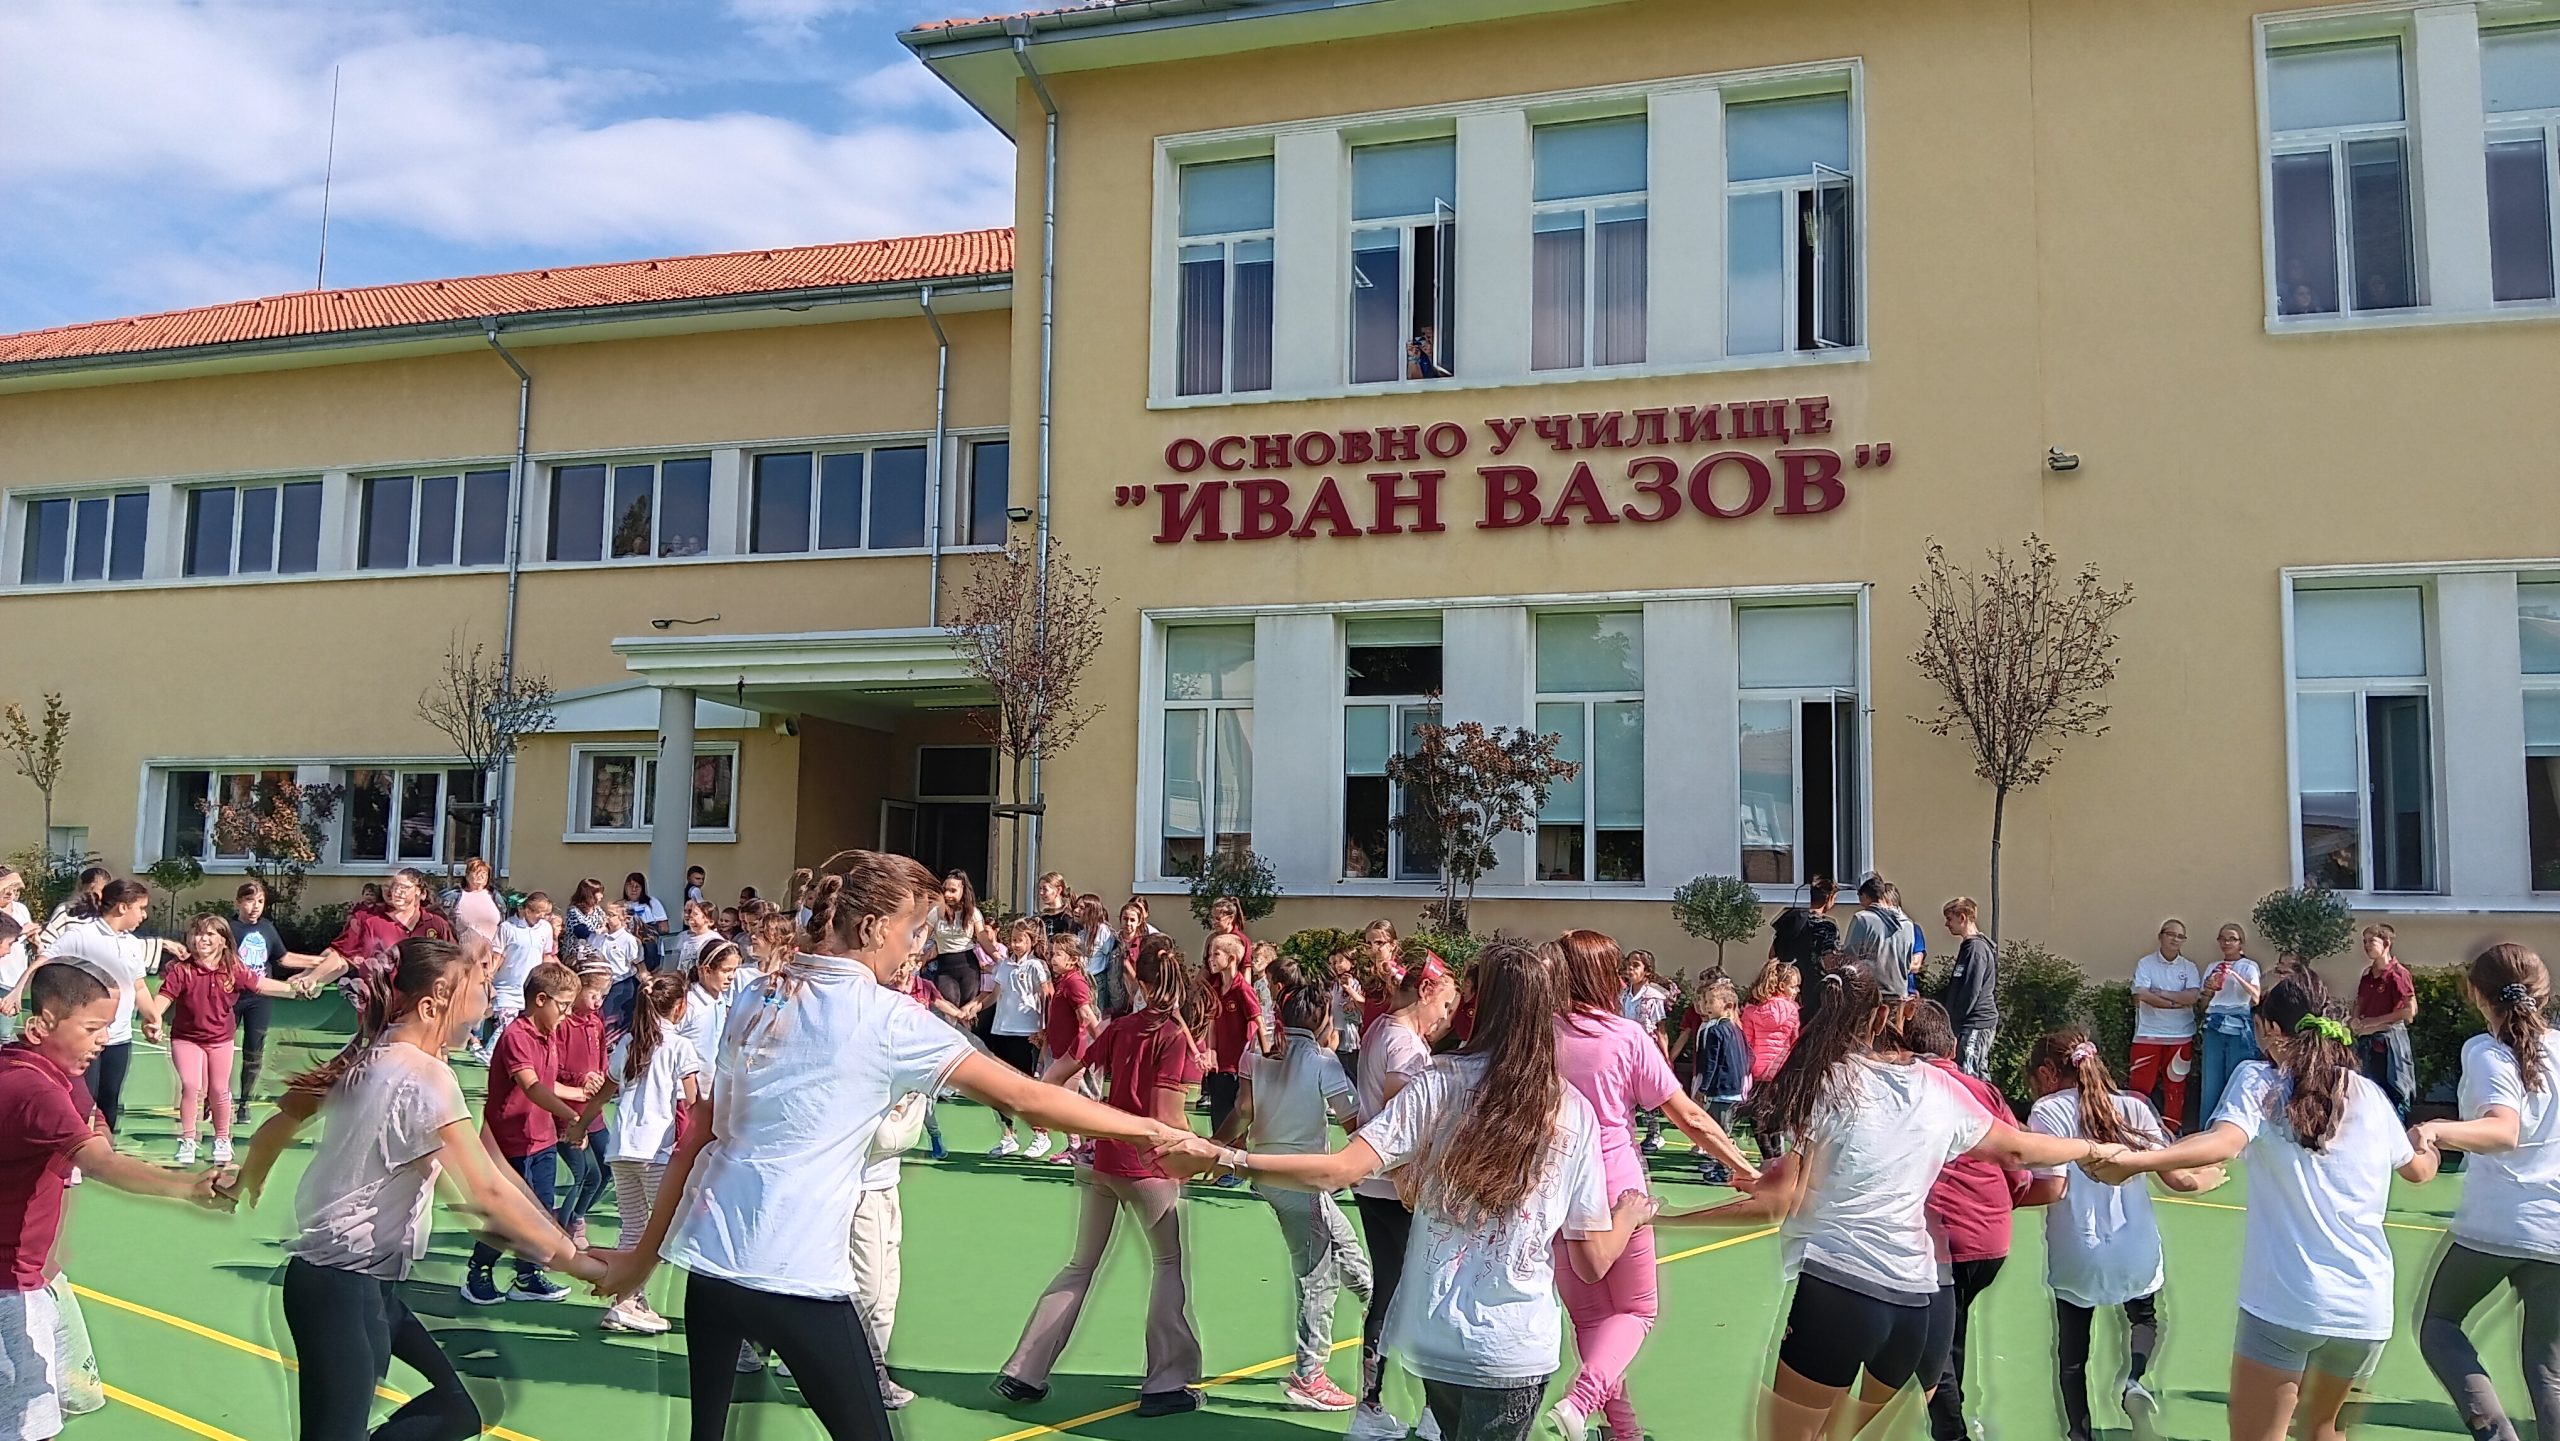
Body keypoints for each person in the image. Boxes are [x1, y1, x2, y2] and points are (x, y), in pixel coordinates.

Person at [597, 849, 1192, 1441]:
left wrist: (641, 1259)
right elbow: (1025, 1097)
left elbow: (700, 1136)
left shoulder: (758, 995)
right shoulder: (887, 1018)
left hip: (711, 1273)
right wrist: (1154, 1130)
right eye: (913, 931)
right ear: (874, 929)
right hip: (794, 1275)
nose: (916, 948)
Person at [1163, 940, 1658, 1441]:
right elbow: (1592, 1261)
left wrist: (1227, 1157)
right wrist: (1629, 1216)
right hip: (1514, 1346)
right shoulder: (1571, 1110)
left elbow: (1340, 1169)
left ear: (1479, 1007)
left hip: (1436, 1341)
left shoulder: (1439, 1081)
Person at [1651, 964, 2127, 1441]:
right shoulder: (1941, 1088)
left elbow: (1778, 1204)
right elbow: (2018, 1150)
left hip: (1838, 1293)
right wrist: (2091, 1148)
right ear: (1889, 1016)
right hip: (1915, 1306)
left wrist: (1666, 1219)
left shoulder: (1829, 1081)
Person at [232, 936, 605, 1441]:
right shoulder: (423, 1076)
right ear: (433, 1006)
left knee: (461, 1408)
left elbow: (494, 1172)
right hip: (340, 1284)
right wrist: (581, 1265)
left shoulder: (379, 1054)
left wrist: (247, 1176)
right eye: (478, 990)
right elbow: (485, 1196)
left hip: (366, 1285)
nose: (487, 1003)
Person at [2086, 971, 2439, 1441]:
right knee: (2323, 1431)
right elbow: (2419, 1170)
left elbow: (2223, 1142)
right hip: (2365, 1308)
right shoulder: (2370, 1095)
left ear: (2272, 1029)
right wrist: (2430, 1139)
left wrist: (2137, 1161)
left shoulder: (2259, 1080)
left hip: (2287, 1303)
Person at [1, 964, 234, 1441]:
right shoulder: (33, 1090)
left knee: (67, 1398)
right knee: (26, 1427)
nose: (104, 1040)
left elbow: (91, 1118)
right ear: (41, 1025)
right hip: (10, 1287)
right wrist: (189, 1188)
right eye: (92, 1028)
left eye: (108, 1026)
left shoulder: (49, 1069)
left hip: (41, 1275)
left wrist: (96, 1129)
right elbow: (102, 1163)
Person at [1549, 931, 1759, 1441]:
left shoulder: (1540, 1033)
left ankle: (1623, 1431)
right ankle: (1581, 1401)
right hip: (1616, 1186)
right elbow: (1691, 1117)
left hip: (1558, 1184)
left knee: (1592, 1320)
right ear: (1605, 978)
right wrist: (1748, 1172)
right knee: (1637, 1311)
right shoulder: (1624, 1037)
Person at [999, 935, 1215, 1416]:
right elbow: (1167, 1116)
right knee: (1167, 1263)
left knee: (1080, 1264)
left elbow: (1058, 1074)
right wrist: (1205, 1150)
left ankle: (1024, 1370)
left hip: (1102, 1159)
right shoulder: (1171, 1036)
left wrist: (1071, 1118)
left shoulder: (1120, 1027)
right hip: (1147, 1166)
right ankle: (1166, 1382)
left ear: (1138, 980)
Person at [2018, 1030, 2220, 1441]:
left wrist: (1999, 1197)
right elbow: (2177, 1179)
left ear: (2047, 1073)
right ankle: (2134, 1381)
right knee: (2144, 1318)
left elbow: (2053, 1187)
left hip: (2078, 1247)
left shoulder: (2047, 1111)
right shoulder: (2135, 1106)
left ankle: (2079, 1434)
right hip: (2135, 1244)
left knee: (2072, 1354)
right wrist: (2208, 1177)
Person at [2410, 943, 2560, 1441]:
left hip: (2499, 1223)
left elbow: (2503, 1129)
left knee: (2439, 1324)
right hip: (2555, 1230)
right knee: (2549, 1371)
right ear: (2544, 994)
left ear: (2477, 994)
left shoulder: (2486, 1051)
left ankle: (2496, 1434)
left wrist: (2435, 1130)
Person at [1210, 972, 1373, 1411]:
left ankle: (1376, 1301)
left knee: (1344, 1244)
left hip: (1269, 1175)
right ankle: (1310, 1375)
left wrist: (1215, 1147)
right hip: (1302, 1180)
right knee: (1318, 1277)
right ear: (1322, 1019)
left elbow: (1242, 1111)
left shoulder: (1257, 1054)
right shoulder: (1323, 1062)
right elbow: (1353, 1122)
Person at [1902, 999, 2027, 1441]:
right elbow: (2018, 1165)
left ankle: (1951, 1431)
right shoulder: (1983, 1091)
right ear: (1953, 1046)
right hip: (1990, 1237)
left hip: (1940, 1238)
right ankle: (1953, 1419)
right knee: (1949, 1331)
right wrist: (2003, 1205)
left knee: (1932, 1345)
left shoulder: (1910, 1089)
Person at [461, 960, 589, 1307]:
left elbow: (548, 1083)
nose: (567, 1013)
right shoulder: (517, 1036)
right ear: (541, 1000)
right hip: (510, 1143)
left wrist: (580, 1094)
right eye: (563, 1005)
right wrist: (571, 1116)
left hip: (541, 1140)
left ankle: (527, 1275)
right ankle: (478, 1271)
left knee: (540, 1212)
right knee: (507, 1214)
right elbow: (531, 1087)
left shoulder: (548, 1034)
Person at [585, 970, 701, 1337]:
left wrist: (579, 1124)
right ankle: (629, 1300)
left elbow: (606, 1090)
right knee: (667, 1230)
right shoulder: (680, 1046)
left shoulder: (630, 1041)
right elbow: (693, 1103)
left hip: (623, 1149)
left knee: (634, 1226)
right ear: (679, 1007)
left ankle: (625, 1301)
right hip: (656, 1152)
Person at [158, 915, 306, 1165]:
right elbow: (164, 997)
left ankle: (222, 1138)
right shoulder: (181, 970)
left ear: (224, 941)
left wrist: (294, 989)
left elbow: (259, 984)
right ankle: (188, 1139)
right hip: (186, 1038)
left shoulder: (233, 969)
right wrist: (152, 1018)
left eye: (210, 934)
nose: (202, 939)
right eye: (197, 933)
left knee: (219, 1089)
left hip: (220, 1039)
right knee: (191, 1086)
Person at [42, 877, 184, 1134]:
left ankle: (104, 1148)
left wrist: (153, 1018)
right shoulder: (82, 935)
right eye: (141, 908)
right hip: (85, 1037)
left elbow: (138, 987)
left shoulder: (131, 944)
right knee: (82, 1100)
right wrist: (17, 993)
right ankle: (74, 1148)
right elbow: (44, 960)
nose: (144, 915)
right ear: (122, 907)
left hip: (119, 1037)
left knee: (110, 1100)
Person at [227, 880, 304, 1124]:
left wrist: (321, 963)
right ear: (238, 902)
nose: (255, 907)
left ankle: (244, 1102)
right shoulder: (228, 929)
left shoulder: (267, 929)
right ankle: (215, 1098)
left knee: (254, 1050)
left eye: (260, 902)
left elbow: (283, 958)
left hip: (259, 998)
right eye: (250, 901)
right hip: (231, 997)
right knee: (221, 1048)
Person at [554, 960, 614, 1249]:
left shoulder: (596, 1023)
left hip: (592, 1111)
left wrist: (601, 1076)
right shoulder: (563, 1025)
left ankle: (575, 1216)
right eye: (593, 994)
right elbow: (555, 1067)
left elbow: (602, 1061)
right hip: (568, 1110)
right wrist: (582, 1078)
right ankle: (559, 1232)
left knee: (607, 1167)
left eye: (603, 995)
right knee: (581, 1173)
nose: (598, 1001)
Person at [986, 918, 1054, 1160]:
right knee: (998, 1090)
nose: (1015, 944)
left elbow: (1048, 997)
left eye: (1020, 940)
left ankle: (1041, 1136)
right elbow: (995, 995)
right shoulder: (1004, 966)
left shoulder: (1036, 966)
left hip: (1026, 1034)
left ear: (1031, 941)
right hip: (1001, 1031)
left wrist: (1044, 1029)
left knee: (1025, 1089)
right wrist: (972, 1008)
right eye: (1012, 940)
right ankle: (1008, 1137)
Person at [2128, 920, 2202, 1133]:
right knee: (2140, 1087)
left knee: (2175, 1087)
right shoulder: (2145, 963)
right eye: (2171, 934)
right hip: (2148, 1035)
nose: (2175, 939)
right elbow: (2141, 995)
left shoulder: (2189, 967)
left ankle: (2172, 1131)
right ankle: (2135, 1130)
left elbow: (2192, 997)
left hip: (2181, 1036)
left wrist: (2161, 994)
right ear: (2160, 936)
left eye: (2180, 936)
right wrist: (2175, 1004)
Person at [1042, 932, 1101, 1167]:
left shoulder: (1075, 982)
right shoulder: (1064, 981)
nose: (1052, 959)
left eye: (1057, 954)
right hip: (1062, 1052)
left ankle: (1086, 1148)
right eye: (1051, 954)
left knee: (1071, 1102)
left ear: (1073, 959)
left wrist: (1105, 1046)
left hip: (1074, 1053)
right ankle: (1076, 1146)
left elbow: (1087, 1015)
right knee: (1066, 1101)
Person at [2350, 923, 2418, 1120]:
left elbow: (2410, 1011)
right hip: (2367, 1044)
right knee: (2367, 1094)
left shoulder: (2398, 974)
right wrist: (2355, 1019)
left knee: (2395, 1095)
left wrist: (2376, 1021)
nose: (2366, 946)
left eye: (2371, 941)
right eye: (2364, 941)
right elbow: (2360, 1002)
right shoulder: (2367, 975)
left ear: (2386, 943)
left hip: (2389, 1045)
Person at [2198, 923, 2265, 1122]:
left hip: (2239, 1026)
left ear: (2240, 942)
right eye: (2223, 939)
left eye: (2232, 939)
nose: (2226, 943)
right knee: (2211, 1081)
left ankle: (2233, 1125)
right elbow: (2203, 1004)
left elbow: (2256, 998)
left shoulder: (2249, 966)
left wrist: (2235, 975)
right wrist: (2209, 989)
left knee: (2236, 1078)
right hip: (2214, 1023)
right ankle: (2207, 1126)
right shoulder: (2213, 966)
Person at [1689, 975, 1751, 1187]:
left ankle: (1725, 1170)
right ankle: (1720, 1164)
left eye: (1711, 1002)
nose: (1707, 1006)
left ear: (1727, 1005)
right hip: (1734, 1087)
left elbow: (1711, 1062)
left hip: (1722, 1089)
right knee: (1723, 1129)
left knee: (1720, 1132)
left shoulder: (1716, 1031)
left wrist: (1703, 1088)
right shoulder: (1736, 1029)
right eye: (1706, 1002)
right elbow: (1748, 1056)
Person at [479, 891, 554, 1065]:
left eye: (545, 913)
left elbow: (546, 955)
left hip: (531, 986)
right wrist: (489, 973)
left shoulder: (545, 928)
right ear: (526, 910)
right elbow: (498, 954)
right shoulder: (508, 927)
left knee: (523, 1025)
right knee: (507, 1022)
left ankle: (514, 1056)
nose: (542, 917)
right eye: (538, 912)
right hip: (507, 986)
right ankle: (489, 1053)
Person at [1204, 931, 1263, 1146]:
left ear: (1231, 959)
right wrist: (1210, 1051)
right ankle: (1221, 1158)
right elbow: (1211, 1023)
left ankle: (1237, 1158)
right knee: (1219, 1119)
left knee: (1237, 1121)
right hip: (1219, 1066)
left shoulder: (1242, 989)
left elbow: (1257, 1021)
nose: (1210, 959)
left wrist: (1263, 1054)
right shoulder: (1215, 989)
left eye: (1215, 954)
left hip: (1238, 1066)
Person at [1739, 960, 1802, 1157]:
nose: (1797, 990)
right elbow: (1794, 1040)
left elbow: (1747, 1042)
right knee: (1775, 1113)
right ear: (1782, 986)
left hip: (1758, 1069)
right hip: (1781, 1069)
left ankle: (1767, 1154)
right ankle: (1776, 1154)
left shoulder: (1752, 1011)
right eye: (1794, 986)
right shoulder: (1793, 1010)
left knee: (1757, 1114)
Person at [1617, 950, 1673, 1152]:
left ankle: (1654, 1133)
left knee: (1648, 1092)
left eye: (1636, 965)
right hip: (1625, 1049)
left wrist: (1665, 1057)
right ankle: (1627, 1130)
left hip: (1646, 1049)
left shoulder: (1653, 997)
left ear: (1647, 971)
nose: (1630, 969)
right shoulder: (1623, 995)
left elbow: (1660, 1030)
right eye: (1629, 965)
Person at [1939, 899, 1998, 1078]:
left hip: (1975, 1022)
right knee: (1976, 1073)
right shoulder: (1968, 948)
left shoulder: (1976, 949)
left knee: (1968, 1074)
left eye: (1949, 919)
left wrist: (1955, 1019)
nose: (1946, 924)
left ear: (1962, 918)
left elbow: (1971, 991)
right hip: (1968, 1023)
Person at [1844, 874, 1918, 1000]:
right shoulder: (1908, 924)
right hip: (1899, 993)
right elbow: (1907, 963)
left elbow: (1850, 958)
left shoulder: (1862, 919)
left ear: (1865, 896)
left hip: (1870, 995)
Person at [451, 857, 504, 949]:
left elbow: (503, 925)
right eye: (476, 872)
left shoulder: (495, 897)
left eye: (484, 873)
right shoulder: (454, 896)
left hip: (492, 952)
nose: (480, 876)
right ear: (467, 875)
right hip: (462, 951)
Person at [620, 873, 670, 971]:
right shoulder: (620, 904)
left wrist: (645, 929)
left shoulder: (652, 902)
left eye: (637, 886)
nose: (633, 889)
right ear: (625, 887)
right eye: (630, 886)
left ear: (643, 888)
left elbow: (664, 928)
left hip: (648, 944)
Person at [563, 878, 608, 945]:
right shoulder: (574, 911)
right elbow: (581, 932)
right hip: (579, 949)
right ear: (589, 894)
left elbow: (606, 923)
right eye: (599, 893)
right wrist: (599, 931)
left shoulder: (598, 909)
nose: (602, 896)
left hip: (597, 948)